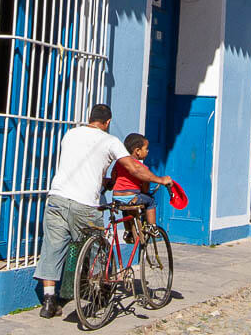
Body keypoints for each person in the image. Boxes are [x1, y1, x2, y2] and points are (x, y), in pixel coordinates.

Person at [33, 104, 172, 319]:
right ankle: (100, 290)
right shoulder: (110, 141)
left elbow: (84, 165)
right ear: (107, 123)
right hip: (85, 204)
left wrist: (105, 181)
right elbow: (134, 167)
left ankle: (49, 301)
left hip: (57, 199)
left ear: (90, 118)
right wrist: (159, 179)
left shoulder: (70, 134)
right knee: (99, 247)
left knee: (52, 248)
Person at [111, 133, 163, 241]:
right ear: (137, 151)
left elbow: (113, 176)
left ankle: (128, 231)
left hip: (116, 197)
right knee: (151, 201)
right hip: (132, 196)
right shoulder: (141, 168)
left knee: (125, 209)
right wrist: (145, 188)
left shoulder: (119, 163)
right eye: (146, 149)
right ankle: (152, 227)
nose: (148, 151)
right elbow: (145, 186)